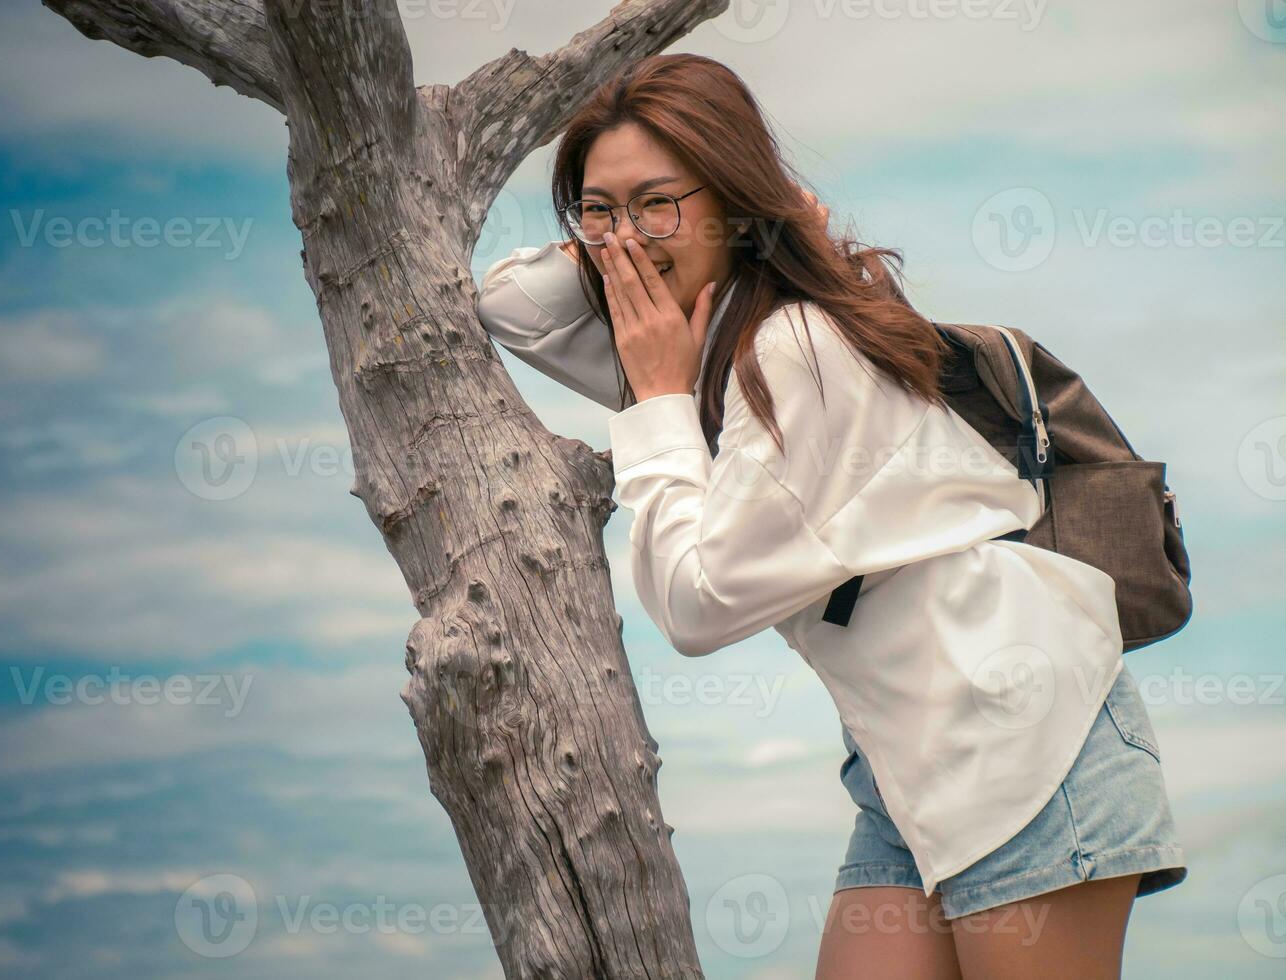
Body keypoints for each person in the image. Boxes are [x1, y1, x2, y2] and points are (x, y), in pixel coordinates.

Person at [475, 53, 1187, 979]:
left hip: (1029, 742)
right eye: (597, 209)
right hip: (910, 767)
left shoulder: (796, 348)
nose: (623, 238)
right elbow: (505, 304)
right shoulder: (706, 336)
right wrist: (639, 259)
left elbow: (698, 607)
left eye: (658, 201)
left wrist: (652, 397)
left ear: (733, 199)